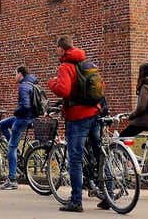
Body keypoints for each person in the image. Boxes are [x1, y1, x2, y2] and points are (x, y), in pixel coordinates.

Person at [48, 36, 102, 213]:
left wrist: (52, 83)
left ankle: (76, 201)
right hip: (94, 111)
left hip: (78, 116)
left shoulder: (66, 66)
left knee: (75, 159)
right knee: (99, 153)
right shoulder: (86, 63)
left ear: (61, 49)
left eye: (57, 49)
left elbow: (63, 90)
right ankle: (108, 194)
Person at [0, 65, 37, 190]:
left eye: (15, 74)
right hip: (28, 117)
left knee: (11, 147)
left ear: (20, 74)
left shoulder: (24, 86)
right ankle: (16, 151)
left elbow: (25, 106)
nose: (14, 77)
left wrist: (16, 111)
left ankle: (12, 179)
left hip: (23, 118)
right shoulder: (33, 83)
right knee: (1, 124)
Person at [119, 63, 148, 149]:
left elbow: (141, 107)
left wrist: (131, 116)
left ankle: (126, 160)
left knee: (122, 137)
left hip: (145, 121)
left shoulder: (146, 86)